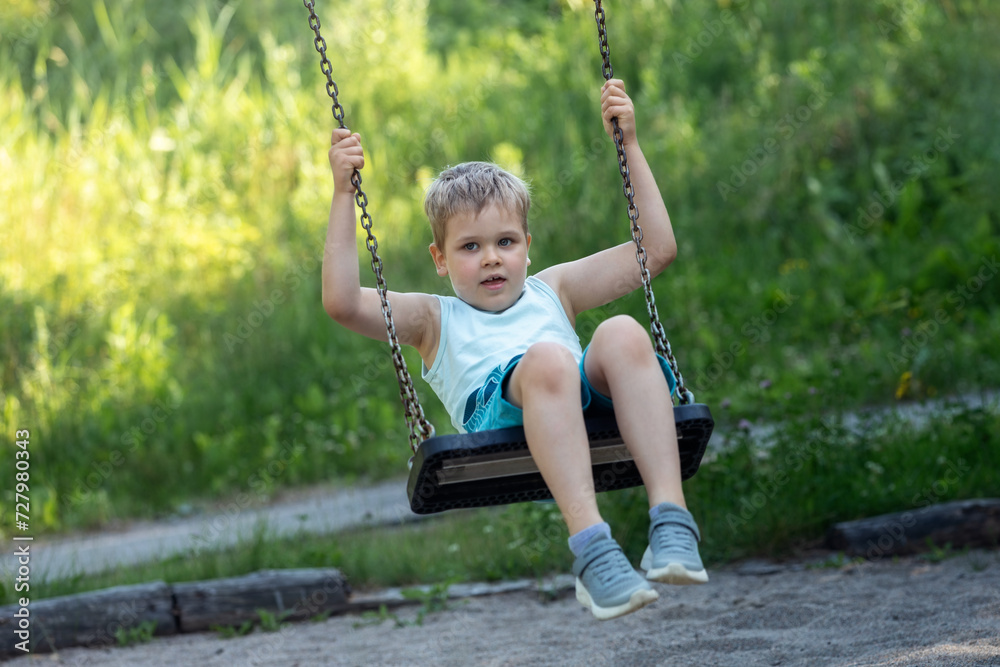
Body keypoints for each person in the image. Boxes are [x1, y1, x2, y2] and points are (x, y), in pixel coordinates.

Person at [323, 79, 707, 621]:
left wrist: (632, 146)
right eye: (469, 247)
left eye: (505, 242)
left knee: (621, 330)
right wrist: (343, 193)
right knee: (549, 360)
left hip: (578, 397)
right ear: (439, 258)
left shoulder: (555, 289)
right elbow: (341, 303)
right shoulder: (434, 319)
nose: (491, 259)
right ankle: (594, 549)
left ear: (528, 246)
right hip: (501, 415)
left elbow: (655, 250)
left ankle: (670, 520)